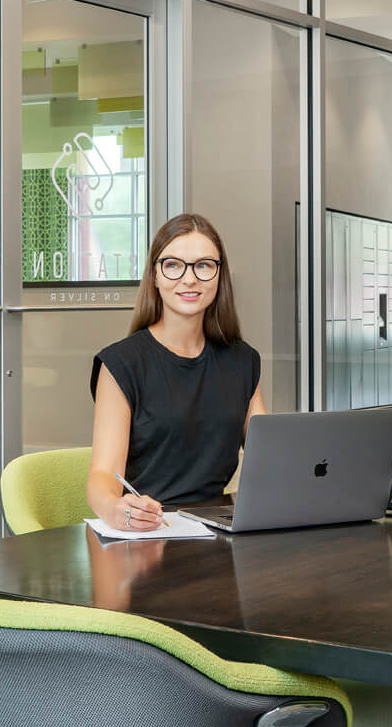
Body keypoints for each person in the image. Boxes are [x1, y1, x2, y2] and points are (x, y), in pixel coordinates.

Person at [88, 213, 263, 532]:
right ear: (155, 275)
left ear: (219, 276)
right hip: (150, 532)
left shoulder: (243, 360)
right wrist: (117, 509)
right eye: (173, 265)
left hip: (218, 532)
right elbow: (102, 477)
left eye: (204, 265)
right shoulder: (121, 364)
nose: (189, 278)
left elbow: (268, 459)